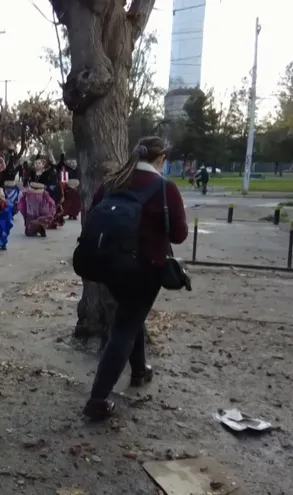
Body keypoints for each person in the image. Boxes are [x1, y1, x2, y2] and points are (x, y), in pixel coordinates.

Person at [83, 136, 188, 420]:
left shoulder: (111, 184)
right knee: (125, 328)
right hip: (144, 270)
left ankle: (139, 370)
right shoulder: (165, 189)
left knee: (131, 316)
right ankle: (98, 399)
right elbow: (178, 235)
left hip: (107, 267)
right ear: (161, 159)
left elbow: (92, 216)